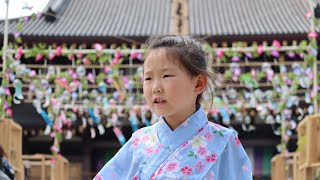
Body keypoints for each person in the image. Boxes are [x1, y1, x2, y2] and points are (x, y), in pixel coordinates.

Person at [94, 35, 252, 179]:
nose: (155, 87)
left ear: (198, 83)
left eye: (166, 76)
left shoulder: (224, 142)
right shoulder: (139, 141)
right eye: (148, 78)